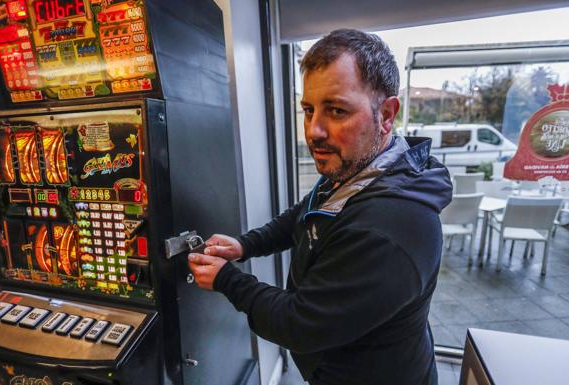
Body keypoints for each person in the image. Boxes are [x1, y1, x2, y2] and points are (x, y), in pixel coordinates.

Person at [188, 29, 453, 385]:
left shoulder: (391, 226)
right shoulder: (360, 167)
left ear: (387, 114)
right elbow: (307, 211)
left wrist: (226, 279)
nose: (313, 131)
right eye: (309, 110)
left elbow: (299, 324)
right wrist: (246, 245)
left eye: (337, 110)